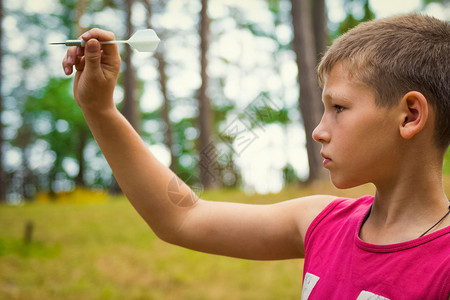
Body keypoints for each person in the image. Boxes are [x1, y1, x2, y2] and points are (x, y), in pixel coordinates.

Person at [62, 13, 449, 299]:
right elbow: (181, 216)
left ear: (410, 115)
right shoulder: (322, 223)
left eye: (339, 108)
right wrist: (99, 108)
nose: (319, 130)